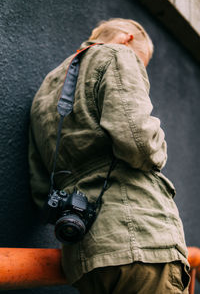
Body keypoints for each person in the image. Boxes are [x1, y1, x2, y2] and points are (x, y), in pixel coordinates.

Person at [29, 18, 190, 293]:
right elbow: (139, 144)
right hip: (141, 242)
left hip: (84, 256)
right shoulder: (117, 53)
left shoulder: (47, 88)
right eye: (142, 63)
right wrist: (159, 143)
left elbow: (41, 187)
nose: (140, 70)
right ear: (126, 39)